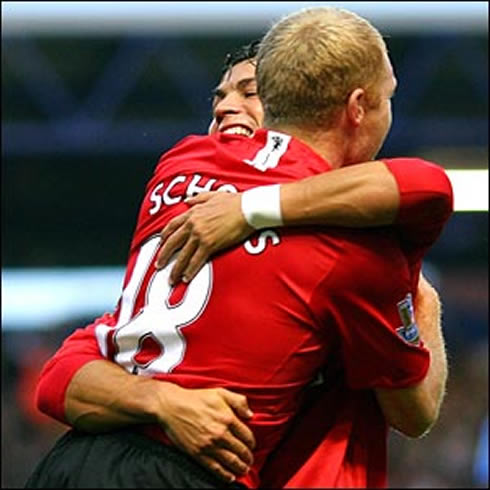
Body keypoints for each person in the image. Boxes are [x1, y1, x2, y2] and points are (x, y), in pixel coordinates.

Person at [27, 7, 452, 489]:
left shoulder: (181, 168)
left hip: (72, 464)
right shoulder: (357, 249)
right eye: (223, 94)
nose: (226, 107)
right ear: (358, 106)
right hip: (196, 473)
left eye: (247, 92)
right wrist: (425, 303)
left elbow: (62, 371)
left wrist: (248, 207)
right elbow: (414, 412)